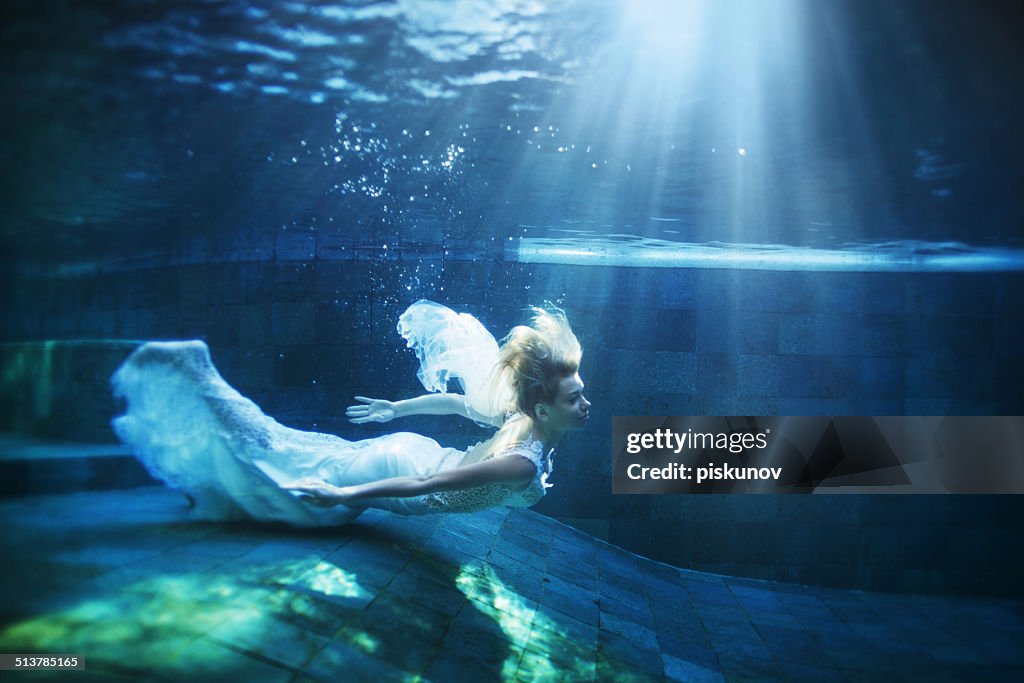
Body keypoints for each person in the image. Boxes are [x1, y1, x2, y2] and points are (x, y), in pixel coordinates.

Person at [110, 299, 589, 527]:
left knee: (296, 459)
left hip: (414, 455)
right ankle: (195, 369)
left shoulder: (523, 418)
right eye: (574, 399)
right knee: (294, 473)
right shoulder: (521, 459)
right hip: (407, 469)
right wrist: (349, 495)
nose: (586, 405)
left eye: (581, 395)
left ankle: (215, 482)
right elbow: (427, 488)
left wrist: (396, 409)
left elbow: (458, 404)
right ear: (544, 409)